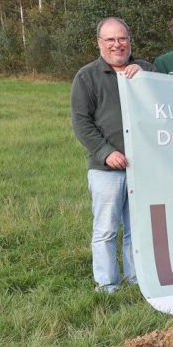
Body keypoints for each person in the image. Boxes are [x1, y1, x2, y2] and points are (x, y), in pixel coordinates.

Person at [70, 17, 153, 293]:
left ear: (130, 40)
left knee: (137, 229)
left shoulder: (145, 70)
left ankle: (136, 278)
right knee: (106, 230)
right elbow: (82, 122)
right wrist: (106, 153)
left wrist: (141, 71)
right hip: (106, 169)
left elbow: (166, 103)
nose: (118, 45)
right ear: (99, 43)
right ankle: (107, 284)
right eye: (111, 40)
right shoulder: (87, 77)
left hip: (142, 167)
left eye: (122, 39)